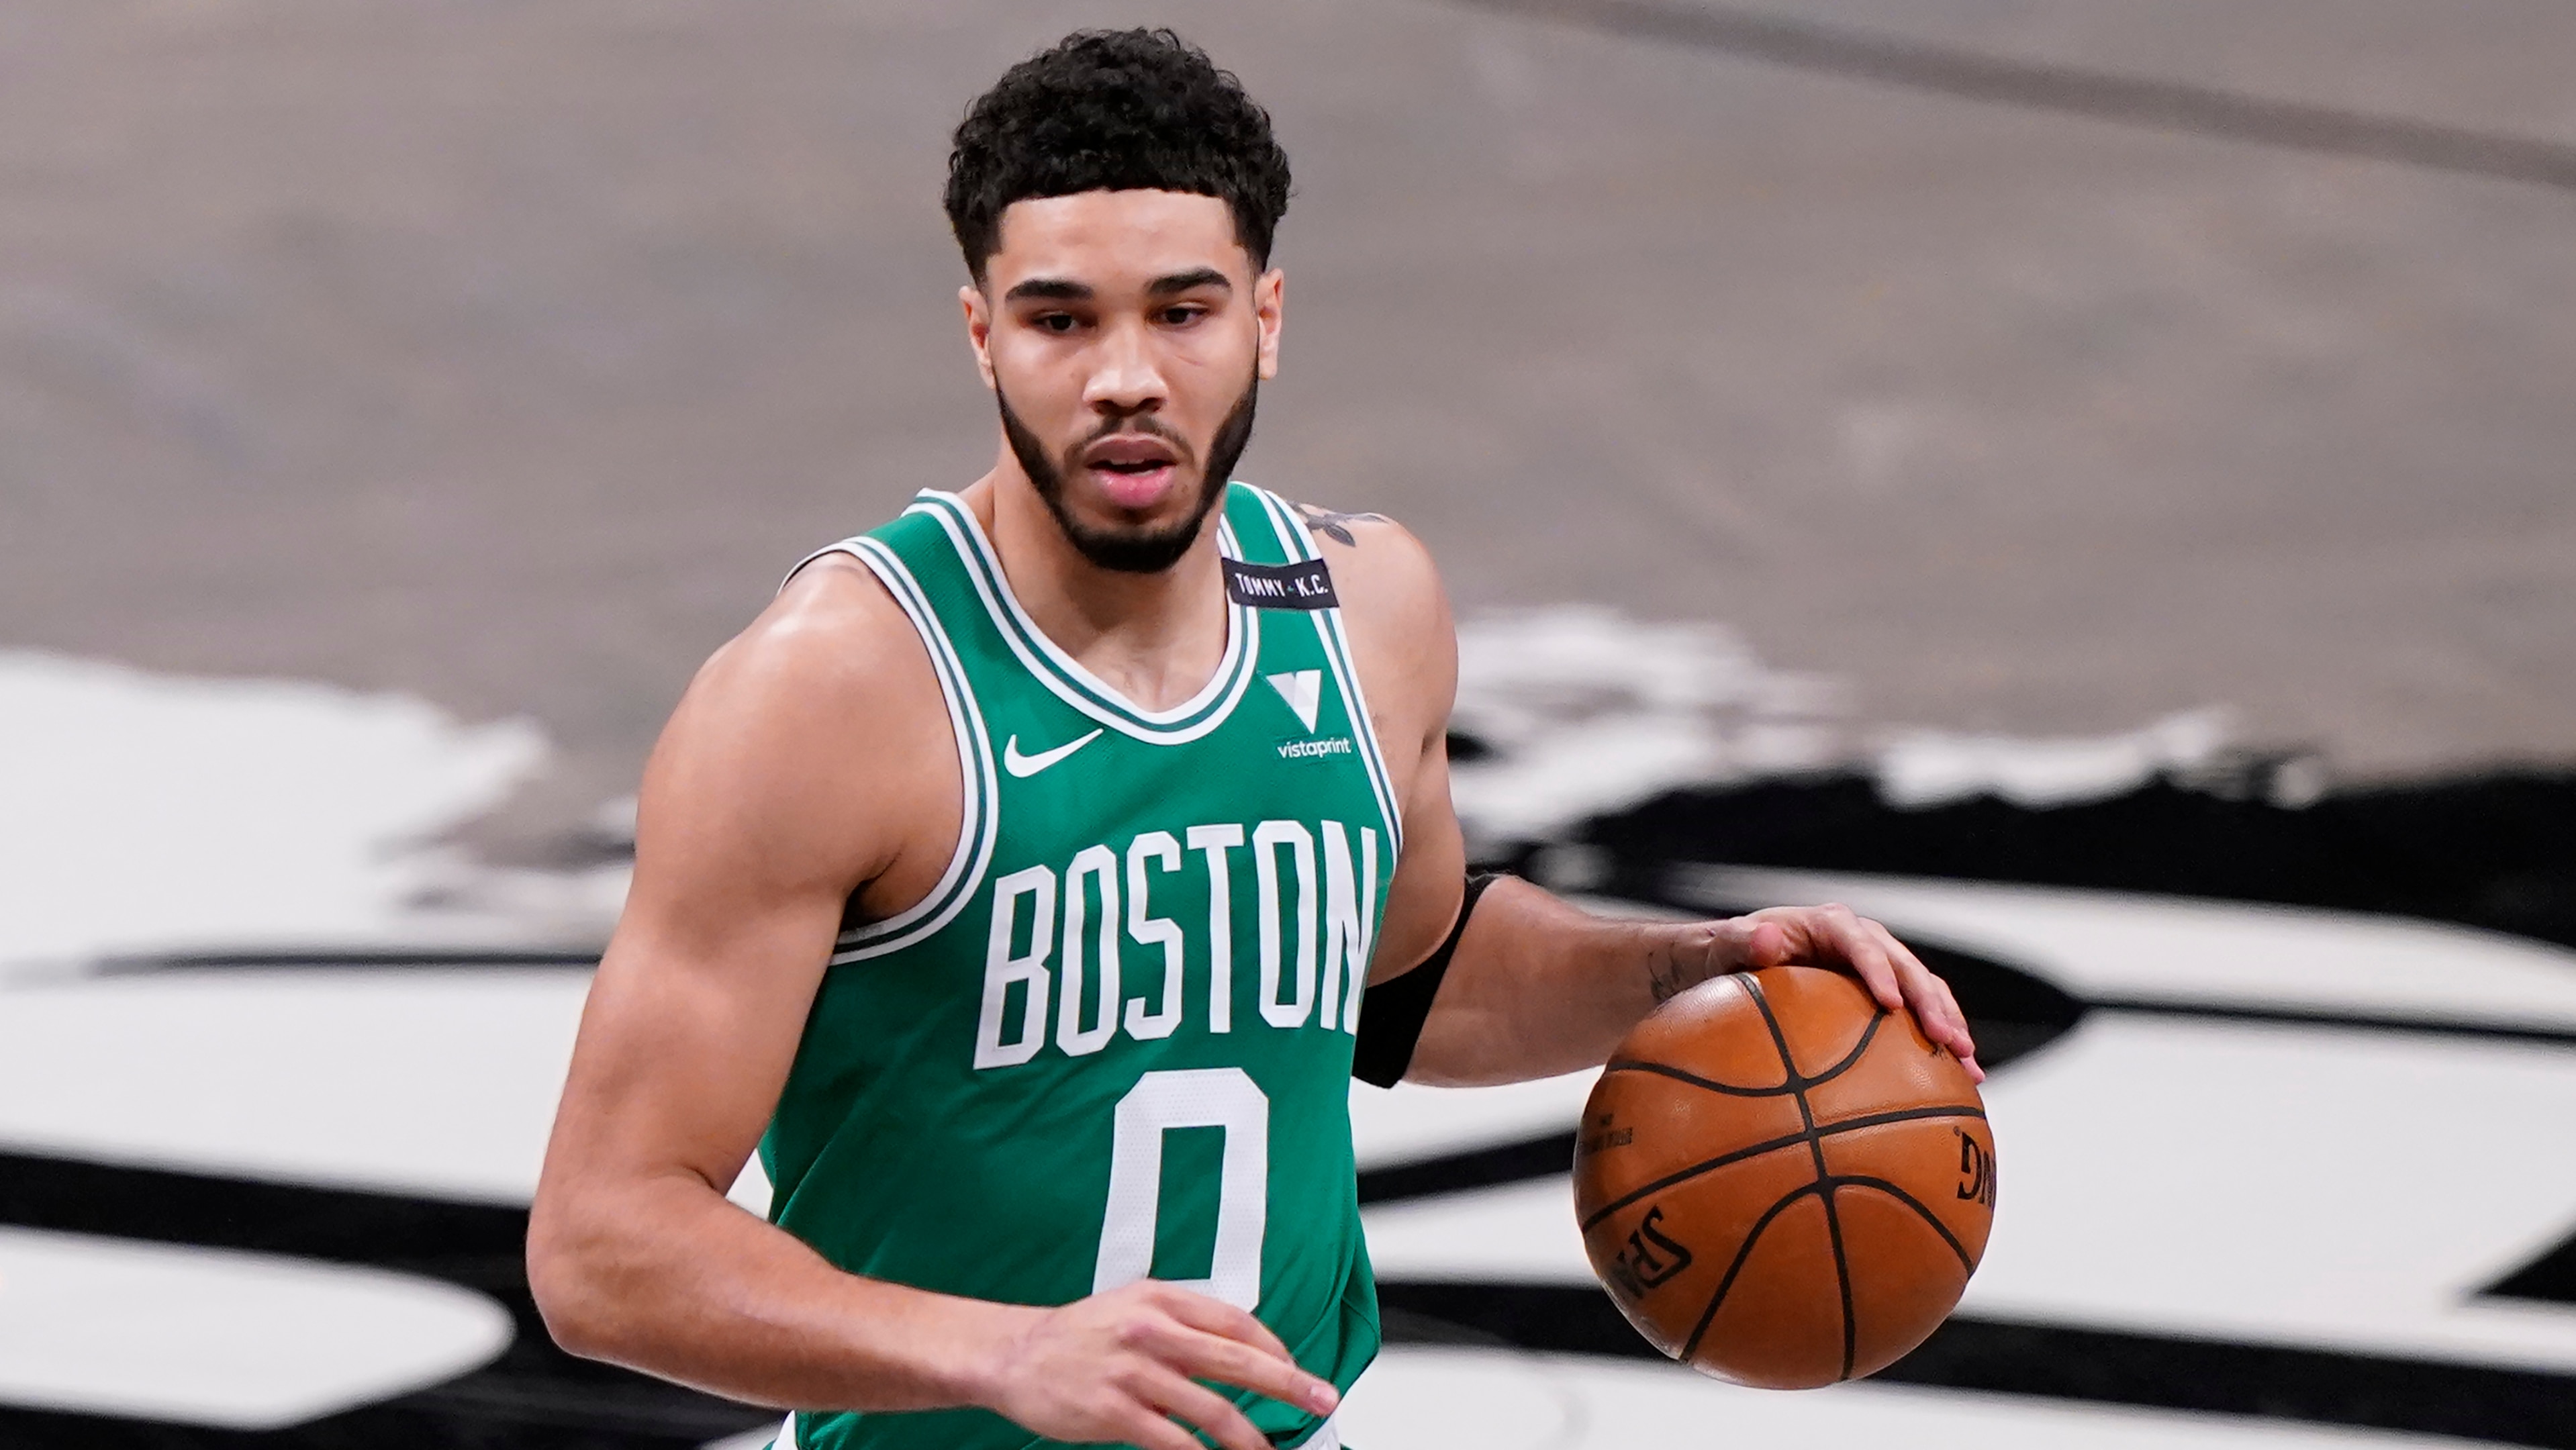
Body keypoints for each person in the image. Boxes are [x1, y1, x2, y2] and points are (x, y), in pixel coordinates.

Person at [526, 28, 1981, 1450]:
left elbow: (1401, 985)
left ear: (1265, 319)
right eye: (1058, 319)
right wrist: (1006, 1353)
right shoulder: (830, 691)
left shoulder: (1368, 608)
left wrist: (1690, 970)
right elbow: (602, 1244)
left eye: (1179, 310)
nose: (1124, 379)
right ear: (980, 335)